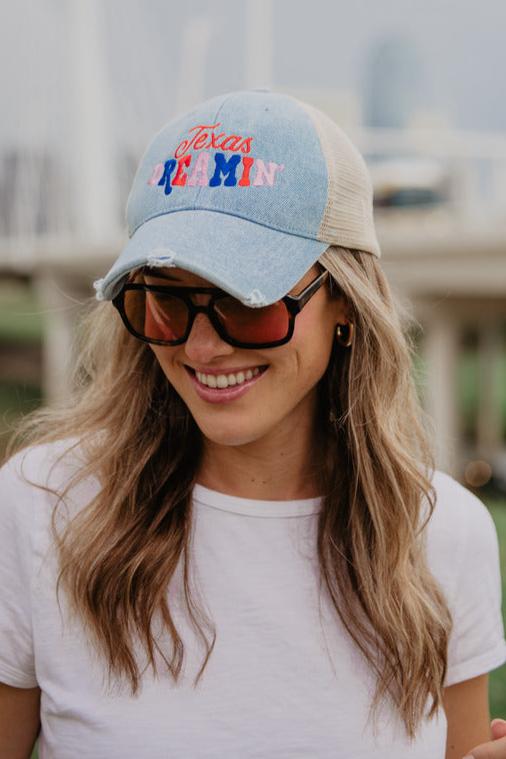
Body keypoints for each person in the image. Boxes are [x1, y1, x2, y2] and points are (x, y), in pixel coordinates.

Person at [0, 89, 505, 759]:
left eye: (248, 302)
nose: (202, 347)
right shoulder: (44, 506)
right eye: (165, 302)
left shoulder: (443, 533)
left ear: (345, 302)